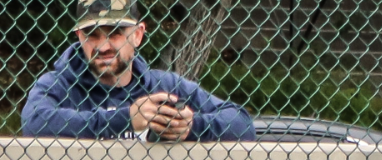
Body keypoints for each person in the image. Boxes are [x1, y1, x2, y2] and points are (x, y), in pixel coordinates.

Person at [21, 0, 253, 142]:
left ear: (138, 34)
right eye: (92, 35)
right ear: (79, 37)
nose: (103, 46)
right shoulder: (60, 84)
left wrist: (192, 127)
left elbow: (242, 124)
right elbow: (34, 122)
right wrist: (126, 119)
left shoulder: (164, 86)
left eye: (115, 33)